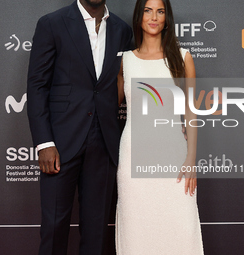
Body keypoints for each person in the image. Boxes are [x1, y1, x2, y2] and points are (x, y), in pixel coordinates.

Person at [27, 0, 132, 254]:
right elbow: (37, 87)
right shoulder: (52, 24)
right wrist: (45, 143)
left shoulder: (121, 30)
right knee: (54, 227)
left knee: (96, 231)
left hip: (105, 141)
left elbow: (122, 81)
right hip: (60, 142)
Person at [115, 0, 204, 254]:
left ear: (167, 18)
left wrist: (191, 158)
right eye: (147, 10)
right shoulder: (125, 61)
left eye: (160, 11)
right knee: (137, 233)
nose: (154, 17)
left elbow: (191, 112)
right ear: (139, 16)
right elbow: (106, 107)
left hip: (174, 159)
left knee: (180, 230)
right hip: (133, 158)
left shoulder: (183, 57)